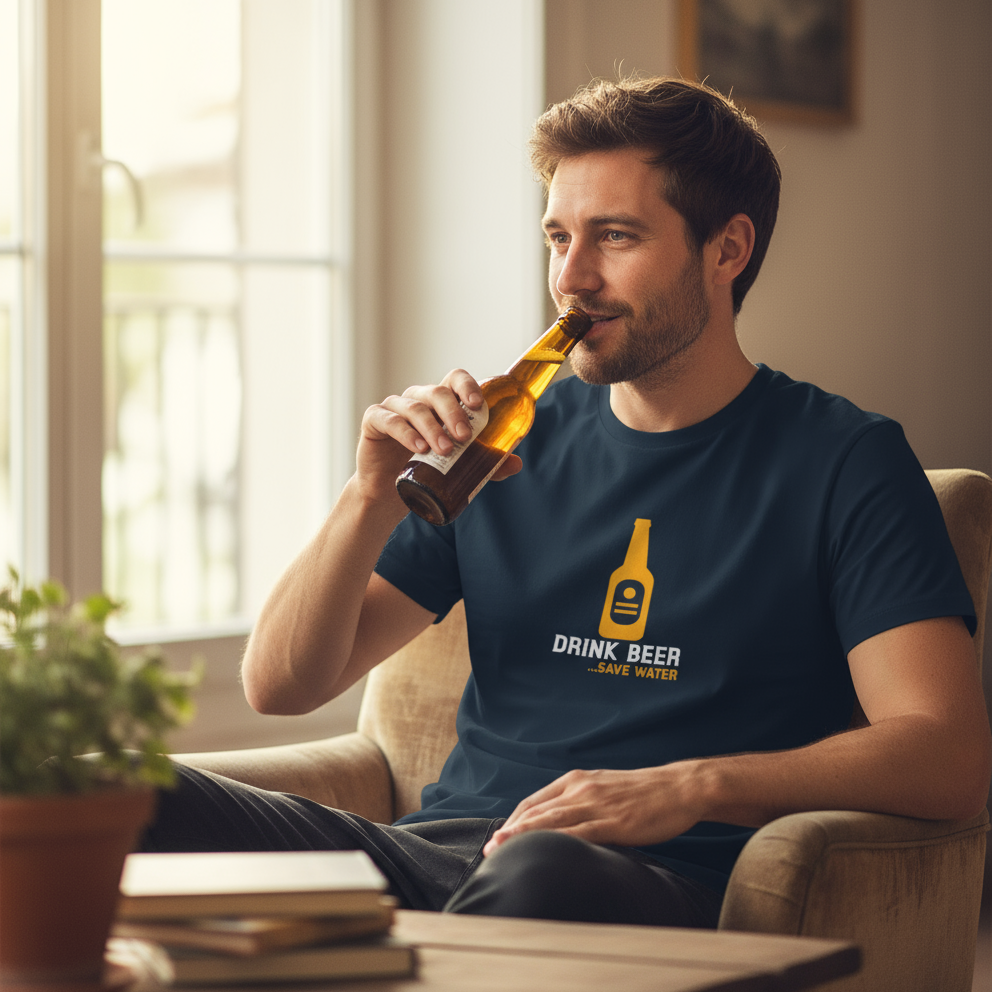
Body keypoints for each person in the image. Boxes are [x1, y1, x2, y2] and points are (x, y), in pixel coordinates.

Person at [142, 76, 991, 929]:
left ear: (727, 250)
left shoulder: (844, 461)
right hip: (437, 854)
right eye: (558, 238)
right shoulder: (503, 445)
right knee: (116, 792)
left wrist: (696, 785)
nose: (571, 279)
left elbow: (946, 751)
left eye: (614, 237)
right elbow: (281, 685)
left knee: (540, 873)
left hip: (638, 880)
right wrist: (367, 497)